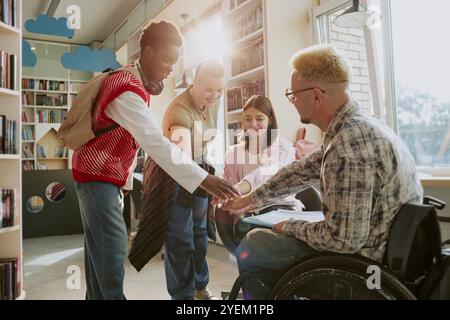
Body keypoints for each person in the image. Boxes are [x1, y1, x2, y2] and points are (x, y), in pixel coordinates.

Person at [224, 44, 423, 299]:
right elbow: (300, 171)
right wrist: (251, 199)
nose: (293, 102)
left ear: (316, 96)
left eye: (293, 95)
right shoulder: (352, 128)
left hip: (365, 267)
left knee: (254, 244)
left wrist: (291, 227)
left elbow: (343, 241)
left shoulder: (351, 144)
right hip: (370, 245)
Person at [72, 21, 238, 300]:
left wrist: (123, 186)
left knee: (98, 260)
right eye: (167, 60)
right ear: (147, 52)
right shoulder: (126, 88)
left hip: (102, 179)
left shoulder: (134, 83)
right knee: (111, 257)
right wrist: (204, 178)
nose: (171, 68)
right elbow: (156, 144)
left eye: (175, 62)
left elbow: (128, 143)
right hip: (96, 177)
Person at [158, 60, 225, 300]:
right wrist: (208, 181)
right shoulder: (179, 111)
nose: (215, 96)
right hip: (175, 173)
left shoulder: (213, 102)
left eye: (219, 90)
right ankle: (182, 297)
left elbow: (201, 146)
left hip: (198, 167)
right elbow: (182, 161)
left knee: (199, 233)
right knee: (180, 239)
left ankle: (199, 287)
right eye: (209, 89)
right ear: (194, 83)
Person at [223, 95, 304, 212]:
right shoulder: (233, 153)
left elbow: (267, 175)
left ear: (270, 119)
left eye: (259, 119)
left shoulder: (284, 148)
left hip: (279, 209)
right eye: (248, 119)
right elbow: (229, 185)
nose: (253, 124)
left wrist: (238, 189)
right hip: (244, 214)